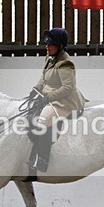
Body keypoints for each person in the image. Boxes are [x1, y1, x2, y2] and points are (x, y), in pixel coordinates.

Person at [24, 27, 87, 181]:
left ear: (60, 46)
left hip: (65, 102)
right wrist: (35, 89)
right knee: (29, 113)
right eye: (47, 44)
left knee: (42, 121)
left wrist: (48, 97)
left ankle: (42, 159)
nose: (47, 46)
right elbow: (44, 77)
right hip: (51, 98)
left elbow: (68, 88)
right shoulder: (50, 58)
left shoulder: (66, 64)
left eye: (51, 44)